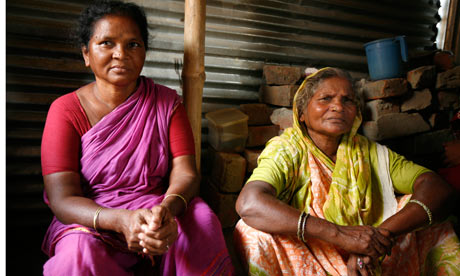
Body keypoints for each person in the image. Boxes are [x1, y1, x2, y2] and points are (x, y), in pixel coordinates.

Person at [40, 1, 234, 275]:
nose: (121, 53)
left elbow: (187, 172)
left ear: (144, 52)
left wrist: (166, 210)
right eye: (107, 43)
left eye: (133, 44)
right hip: (92, 216)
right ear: (86, 53)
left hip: (156, 208)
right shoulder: (65, 111)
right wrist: (119, 220)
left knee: (201, 218)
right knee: (77, 253)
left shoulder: (166, 103)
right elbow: (62, 199)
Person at [234, 67, 460, 276]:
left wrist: (377, 239)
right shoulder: (288, 150)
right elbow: (250, 203)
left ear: (357, 113)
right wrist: (340, 235)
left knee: (431, 216)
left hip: (371, 257)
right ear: (301, 112)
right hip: (310, 255)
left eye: (348, 100)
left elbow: (437, 188)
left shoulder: (370, 153)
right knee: (252, 232)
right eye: (325, 99)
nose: (338, 107)